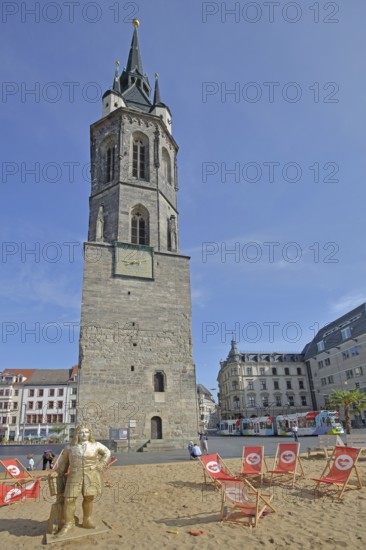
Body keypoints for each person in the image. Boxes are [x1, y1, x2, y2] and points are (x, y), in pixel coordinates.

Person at [50, 423, 111, 537]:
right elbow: (63, 465)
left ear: (90, 433)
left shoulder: (96, 445)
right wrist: (57, 472)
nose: (84, 434)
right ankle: (69, 524)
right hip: (74, 476)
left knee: (89, 498)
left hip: (91, 475)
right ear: (77, 434)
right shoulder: (69, 448)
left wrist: (101, 465)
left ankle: (87, 520)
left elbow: (107, 453)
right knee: (69, 500)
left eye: (86, 432)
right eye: (81, 432)